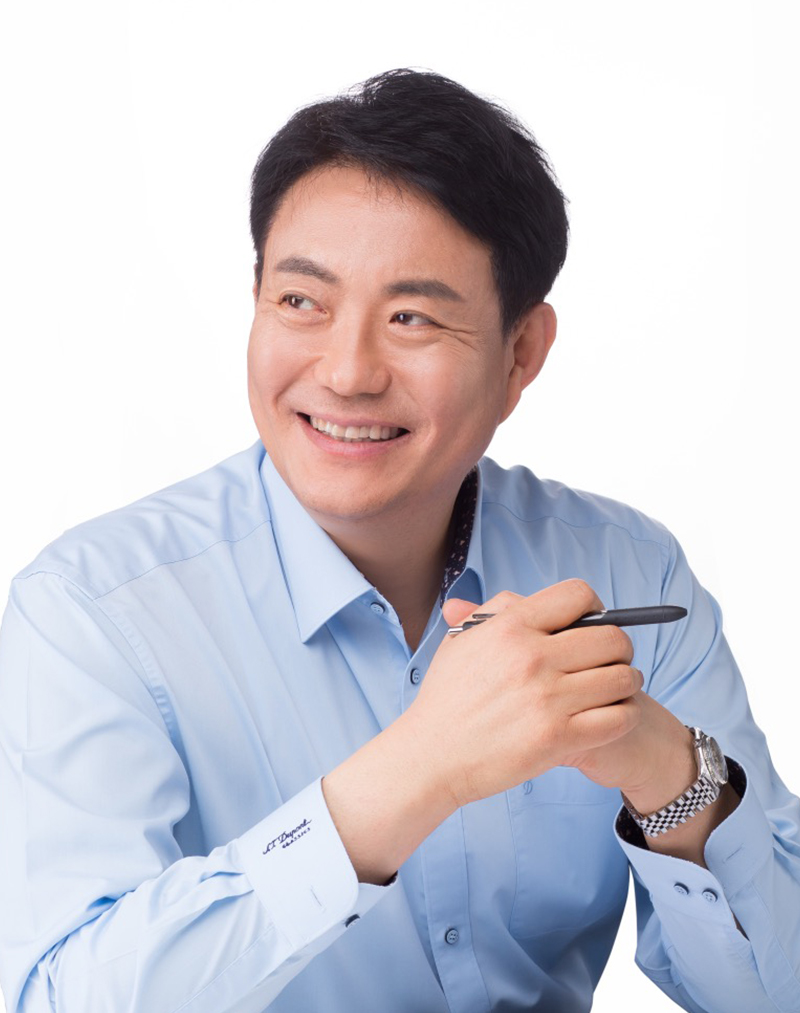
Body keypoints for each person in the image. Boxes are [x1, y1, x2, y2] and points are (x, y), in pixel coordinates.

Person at [0, 67, 797, 1013]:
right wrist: (419, 767)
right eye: (301, 302)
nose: (346, 371)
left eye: (412, 316)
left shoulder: (630, 569)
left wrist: (666, 772)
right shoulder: (92, 613)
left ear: (521, 354)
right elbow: (57, 995)